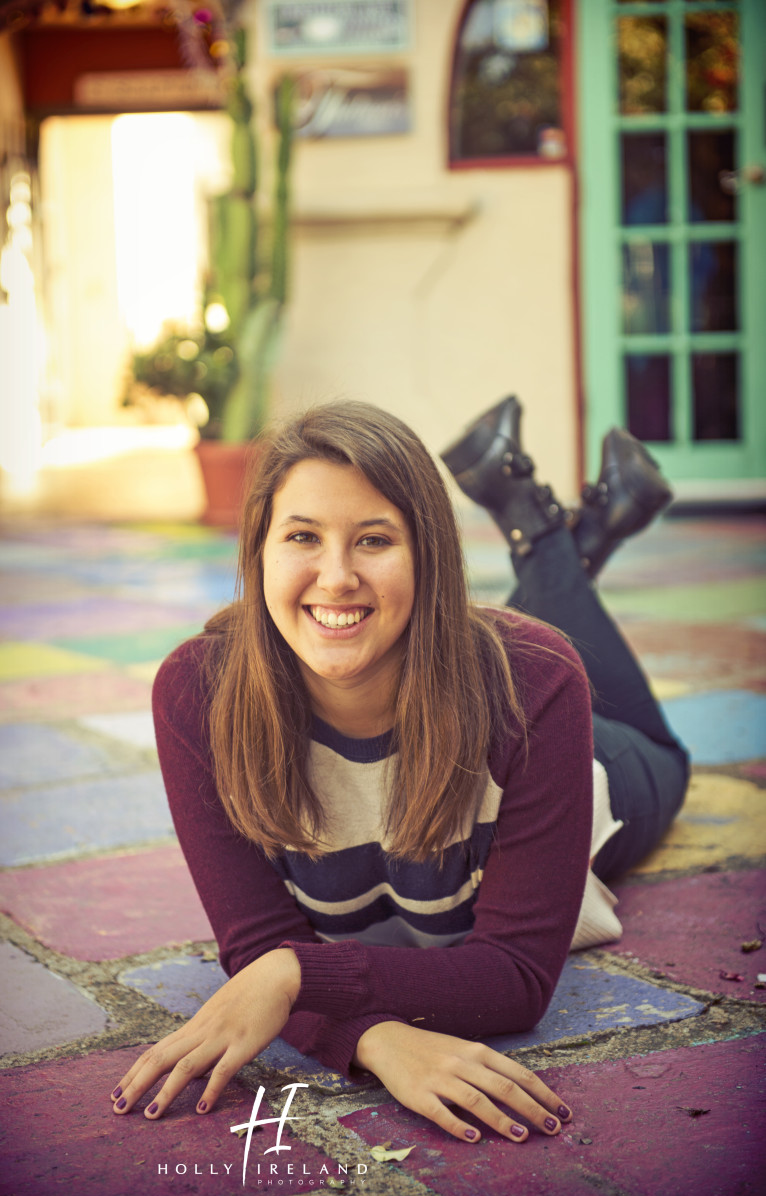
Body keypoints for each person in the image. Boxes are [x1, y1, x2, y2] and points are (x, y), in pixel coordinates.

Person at [110, 397, 689, 1145]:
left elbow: (512, 977)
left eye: (375, 539)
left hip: (595, 768)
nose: (337, 574)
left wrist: (292, 977)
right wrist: (376, 1042)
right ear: (257, 551)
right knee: (470, 640)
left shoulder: (538, 688)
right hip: (462, 658)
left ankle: (542, 533)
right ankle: (550, 533)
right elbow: (257, 944)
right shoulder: (200, 694)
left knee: (663, 748)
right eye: (302, 537)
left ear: (429, 557)